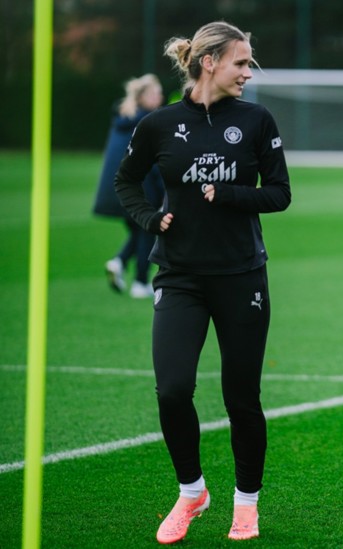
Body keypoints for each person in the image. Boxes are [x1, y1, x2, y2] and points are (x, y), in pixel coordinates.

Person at [114, 21, 291, 543]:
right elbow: (127, 181)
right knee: (172, 390)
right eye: (241, 62)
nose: (248, 72)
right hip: (180, 274)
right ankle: (192, 491)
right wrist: (149, 218)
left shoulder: (257, 120)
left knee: (242, 397)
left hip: (241, 275)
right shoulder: (158, 124)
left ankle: (246, 504)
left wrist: (231, 193)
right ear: (209, 61)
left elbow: (279, 194)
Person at [93, 73, 165, 298]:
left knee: (138, 231)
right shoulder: (147, 121)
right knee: (147, 229)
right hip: (140, 187)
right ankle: (141, 283)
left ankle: (119, 262)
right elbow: (149, 161)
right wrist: (165, 190)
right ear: (144, 96)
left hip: (115, 189)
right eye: (156, 92)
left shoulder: (123, 118)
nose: (161, 97)